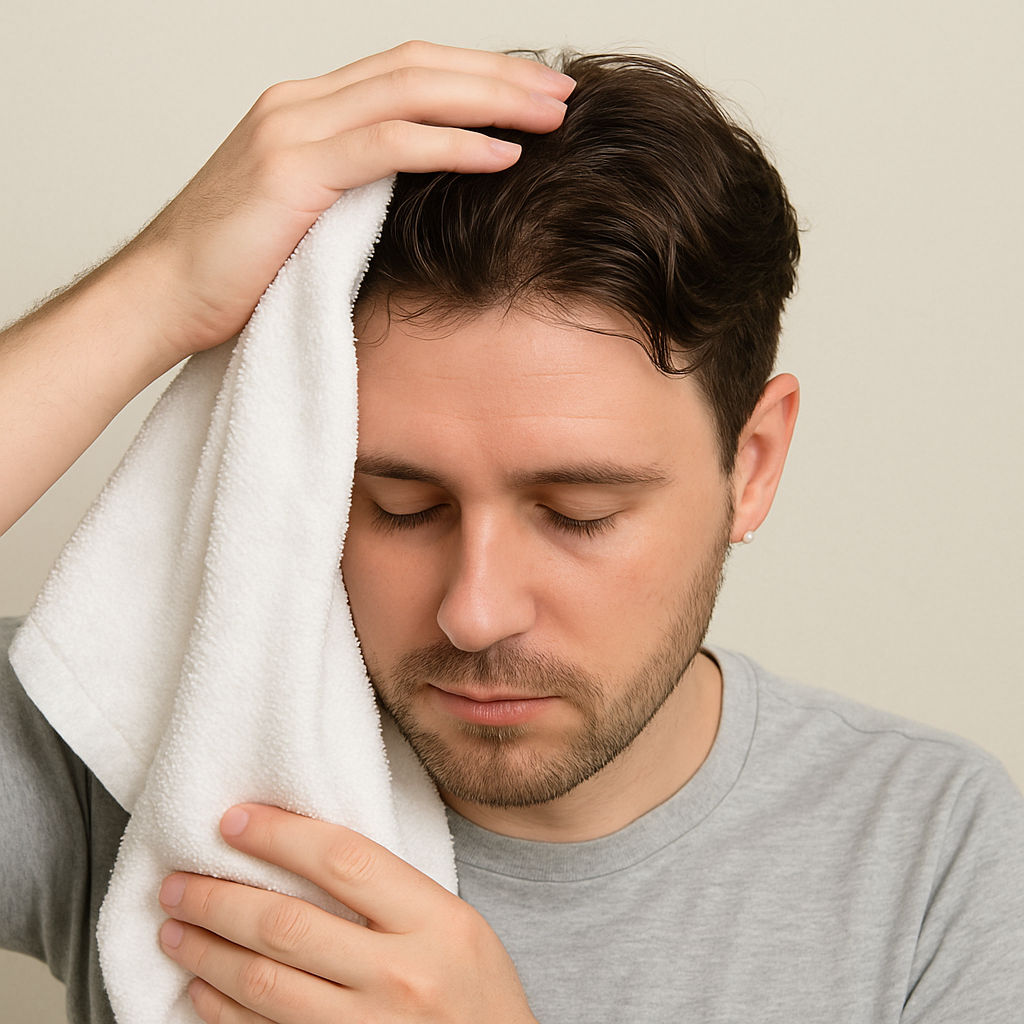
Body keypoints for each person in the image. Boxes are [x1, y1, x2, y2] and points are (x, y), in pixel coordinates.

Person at [1, 39, 1022, 1024]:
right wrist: (161, 286)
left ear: (749, 468)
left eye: (578, 514)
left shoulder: (933, 848)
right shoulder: (147, 747)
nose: (474, 610)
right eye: (402, 504)